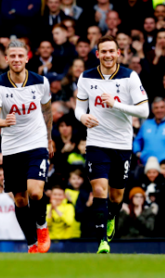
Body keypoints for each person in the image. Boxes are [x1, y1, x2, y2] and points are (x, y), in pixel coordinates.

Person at [74, 35, 149, 253]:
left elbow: (144, 110)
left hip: (122, 144)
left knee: (116, 196)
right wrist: (82, 117)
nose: (107, 55)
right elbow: (79, 108)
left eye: (111, 51)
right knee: (99, 188)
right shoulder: (86, 77)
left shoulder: (129, 77)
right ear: (97, 54)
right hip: (97, 141)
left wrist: (116, 105)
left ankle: (111, 218)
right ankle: (102, 242)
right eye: (103, 51)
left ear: (118, 53)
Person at [0, 40, 53, 254]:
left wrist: (49, 138)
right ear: (6, 59)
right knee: (20, 199)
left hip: (36, 143)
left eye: (20, 56)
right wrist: (3, 121)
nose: (16, 59)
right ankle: (31, 242)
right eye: (12, 56)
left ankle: (42, 227)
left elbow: (47, 111)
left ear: (27, 58)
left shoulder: (41, 82)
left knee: (35, 192)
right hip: (12, 147)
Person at [133, 97, 165, 165]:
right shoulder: (146, 124)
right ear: (152, 110)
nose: (159, 110)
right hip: (147, 167)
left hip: (163, 168)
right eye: (156, 108)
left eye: (162, 107)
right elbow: (137, 141)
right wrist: (138, 153)